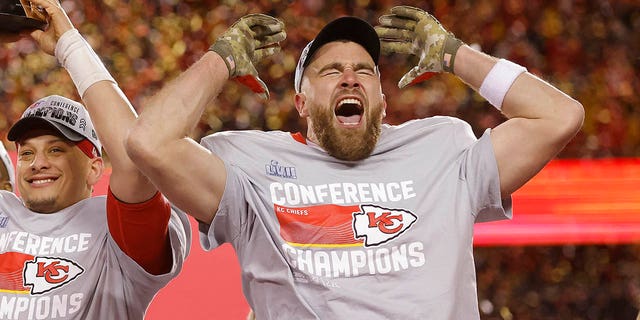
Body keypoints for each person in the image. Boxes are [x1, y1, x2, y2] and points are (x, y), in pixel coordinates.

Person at [125, 5, 584, 319]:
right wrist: (220, 61)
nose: (350, 78)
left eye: (365, 71)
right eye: (331, 71)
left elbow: (560, 116)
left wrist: (454, 55)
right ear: (301, 104)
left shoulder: (441, 148)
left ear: (383, 101)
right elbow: (149, 143)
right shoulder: (250, 166)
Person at [0, 0, 190, 319]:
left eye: (56, 149)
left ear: (94, 167)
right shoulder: (5, 210)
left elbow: (134, 158)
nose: (37, 163)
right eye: (27, 152)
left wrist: (70, 46)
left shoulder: (114, 229)